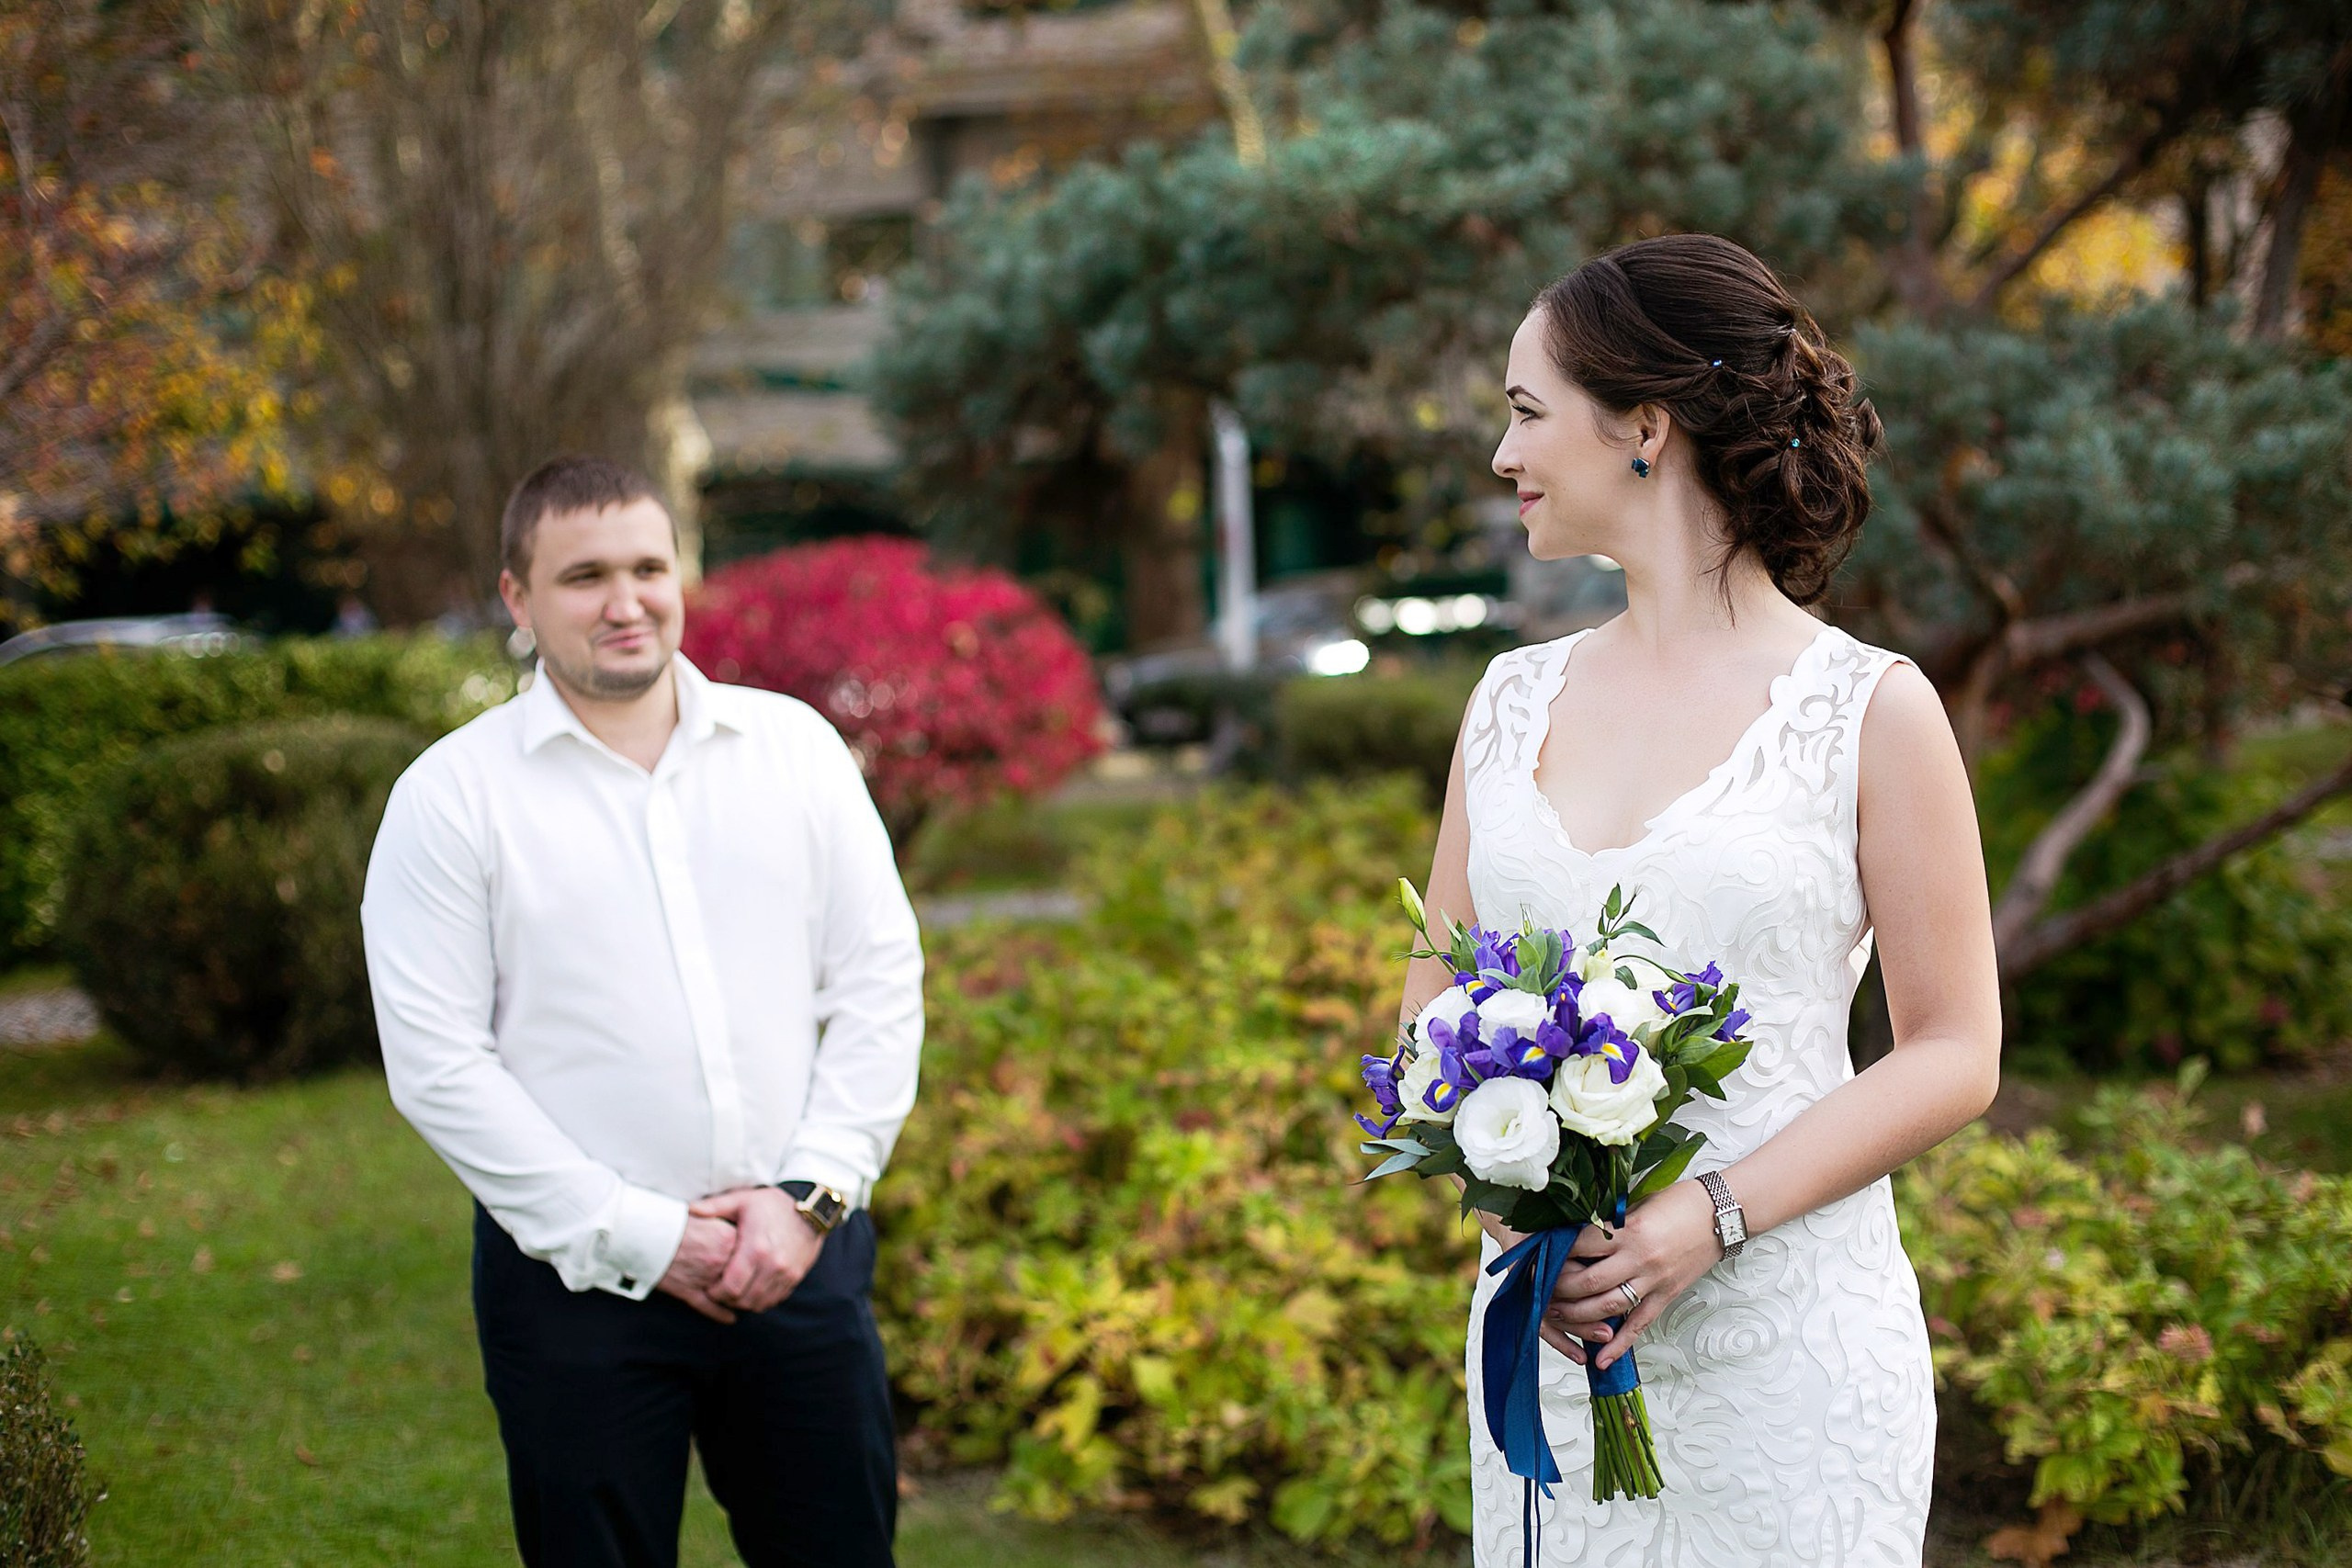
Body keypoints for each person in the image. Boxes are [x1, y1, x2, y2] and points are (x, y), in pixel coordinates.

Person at [1410, 235, 2001, 1564]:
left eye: (1524, 412)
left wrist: (1706, 1214)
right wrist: (1522, 1209)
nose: (1503, 457)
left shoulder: (1872, 709)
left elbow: (1958, 1048)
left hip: (1787, 1345)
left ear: (1644, 426)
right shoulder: (1509, 703)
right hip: (1551, 1338)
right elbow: (1433, 995)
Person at [360, 455, 922, 1568]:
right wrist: (644, 1238)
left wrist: (808, 1197)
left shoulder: (795, 751)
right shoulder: (451, 798)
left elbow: (876, 980)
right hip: (577, 1294)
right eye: (584, 576)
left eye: (647, 567)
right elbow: (438, 1066)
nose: (626, 602)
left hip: (797, 1261)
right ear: (518, 599)